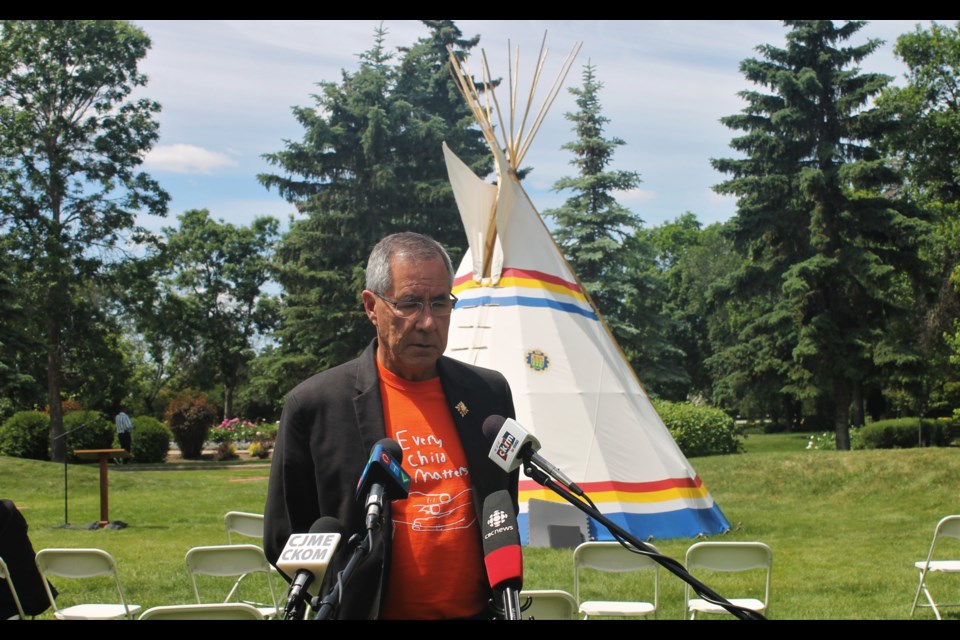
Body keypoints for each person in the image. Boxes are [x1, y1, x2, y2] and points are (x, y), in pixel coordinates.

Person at [264, 232, 518, 620]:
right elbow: (287, 537)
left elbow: (502, 503)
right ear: (371, 306)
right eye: (410, 304)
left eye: (440, 303)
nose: (427, 322)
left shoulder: (488, 394)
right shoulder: (314, 406)